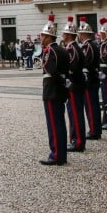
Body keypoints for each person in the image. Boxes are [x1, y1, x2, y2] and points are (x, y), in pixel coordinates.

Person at [39, 15, 69, 166]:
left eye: (43, 35)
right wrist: (64, 82)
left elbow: (50, 69)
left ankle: (56, 154)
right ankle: (61, 153)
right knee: (60, 123)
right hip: (60, 91)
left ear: (48, 37)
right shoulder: (63, 50)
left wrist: (61, 80)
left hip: (51, 91)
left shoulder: (49, 51)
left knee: (54, 124)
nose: (41, 38)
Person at [62, 16, 87, 153]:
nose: (62, 35)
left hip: (74, 85)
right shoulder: (74, 47)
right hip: (77, 84)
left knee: (75, 114)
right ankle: (76, 139)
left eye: (64, 34)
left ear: (68, 35)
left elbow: (71, 68)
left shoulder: (72, 49)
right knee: (75, 113)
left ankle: (77, 142)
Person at [78, 17, 102, 140]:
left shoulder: (88, 46)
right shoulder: (92, 45)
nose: (79, 35)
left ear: (83, 34)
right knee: (93, 105)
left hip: (90, 80)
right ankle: (96, 129)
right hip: (93, 78)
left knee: (91, 106)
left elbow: (86, 63)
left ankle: (94, 130)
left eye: (80, 33)